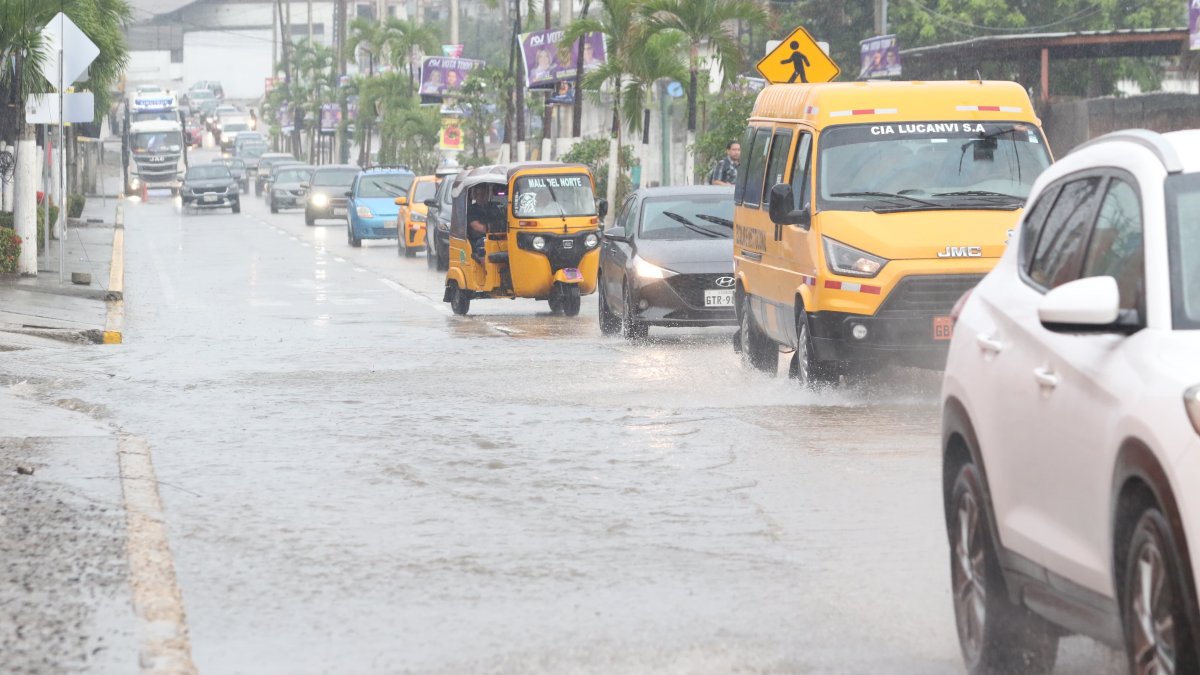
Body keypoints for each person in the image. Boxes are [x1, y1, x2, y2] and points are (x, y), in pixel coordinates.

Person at [467, 184, 491, 260]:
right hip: (478, 238)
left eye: (483, 194)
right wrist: (491, 229)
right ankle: (487, 271)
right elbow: (476, 226)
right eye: (478, 194)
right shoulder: (471, 209)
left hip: (495, 236)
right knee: (483, 244)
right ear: (474, 195)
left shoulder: (494, 207)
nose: (480, 197)